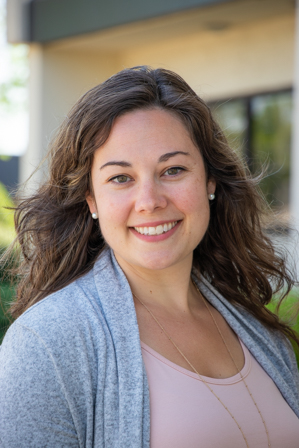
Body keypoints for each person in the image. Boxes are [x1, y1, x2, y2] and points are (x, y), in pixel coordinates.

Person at [0, 66, 298, 448]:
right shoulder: (48, 342)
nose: (150, 201)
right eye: (121, 178)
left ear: (210, 180)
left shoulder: (259, 331)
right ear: (91, 199)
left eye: (172, 170)